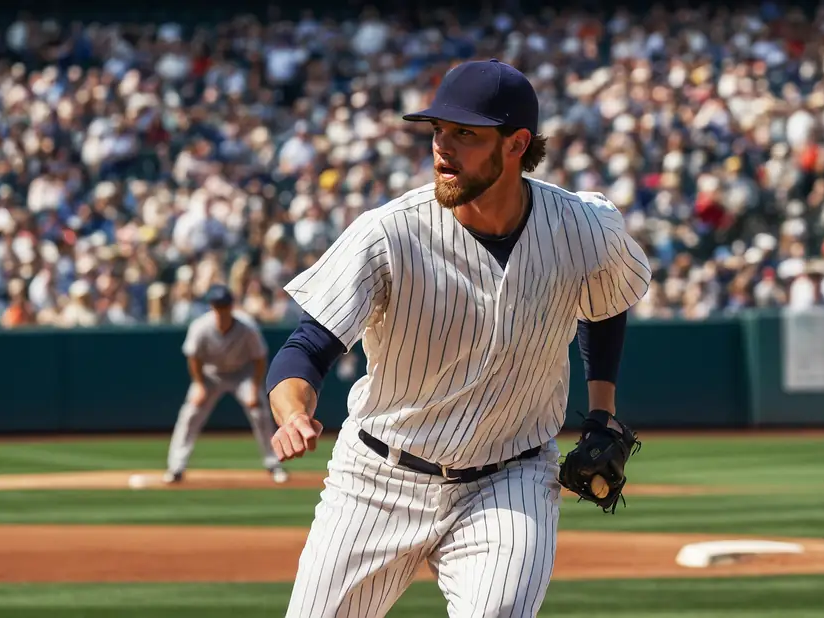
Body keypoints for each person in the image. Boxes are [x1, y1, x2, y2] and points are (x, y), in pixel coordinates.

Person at [264, 59, 651, 617]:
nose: (442, 147)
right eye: (438, 131)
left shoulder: (585, 226)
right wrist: (294, 411)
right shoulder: (389, 233)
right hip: (378, 478)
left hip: (510, 478)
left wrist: (602, 413)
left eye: (465, 134)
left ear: (517, 144)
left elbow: (607, 303)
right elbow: (304, 349)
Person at [164, 284, 288, 484]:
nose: (220, 310)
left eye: (224, 305)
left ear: (231, 306)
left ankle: (273, 464)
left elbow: (259, 359)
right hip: (211, 374)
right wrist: (199, 385)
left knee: (259, 412)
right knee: (191, 413)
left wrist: (254, 390)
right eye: (216, 305)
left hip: (242, 373)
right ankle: (176, 467)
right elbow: (193, 358)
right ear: (212, 307)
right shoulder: (201, 326)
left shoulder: (247, 326)